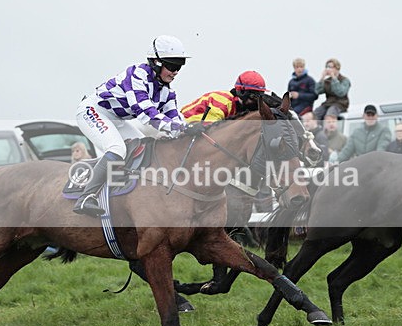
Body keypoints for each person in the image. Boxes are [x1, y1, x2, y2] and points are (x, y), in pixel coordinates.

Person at [73, 35, 194, 216]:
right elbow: (146, 115)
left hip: (116, 119)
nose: (176, 72)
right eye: (172, 66)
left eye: (179, 67)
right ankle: (86, 196)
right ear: (156, 62)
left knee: (143, 147)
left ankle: (126, 194)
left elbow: (175, 119)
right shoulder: (137, 75)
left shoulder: (167, 92)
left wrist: (192, 129)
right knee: (117, 149)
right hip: (92, 111)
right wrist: (181, 128)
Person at [181, 71, 269, 122]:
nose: (255, 101)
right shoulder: (223, 101)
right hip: (180, 129)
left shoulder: (241, 108)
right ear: (241, 92)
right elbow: (210, 132)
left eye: (259, 97)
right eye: (253, 96)